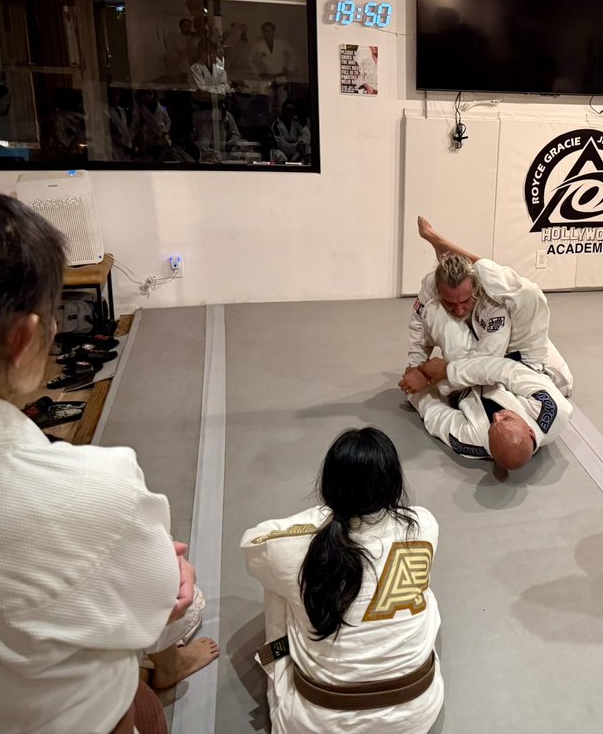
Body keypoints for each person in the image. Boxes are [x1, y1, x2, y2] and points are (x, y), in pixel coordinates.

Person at [0, 186, 199, 731]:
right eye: (52, 313)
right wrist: (172, 581)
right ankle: (163, 677)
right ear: (23, 339)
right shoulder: (97, 486)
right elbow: (162, 611)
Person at [241, 427, 442, 733]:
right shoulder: (424, 524)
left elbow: (252, 545)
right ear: (394, 482)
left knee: (281, 587)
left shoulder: (289, 547)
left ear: (328, 485)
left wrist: (320, 517)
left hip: (317, 722)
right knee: (423, 592)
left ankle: (280, 658)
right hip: (416, 713)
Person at [402, 217, 574, 398]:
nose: (459, 310)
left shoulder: (496, 301)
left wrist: (440, 373)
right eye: (450, 303)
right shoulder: (431, 284)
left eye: (465, 302)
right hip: (480, 333)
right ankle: (444, 247)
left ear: (475, 289)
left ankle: (442, 244)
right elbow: (418, 323)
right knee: (435, 312)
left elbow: (488, 362)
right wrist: (415, 366)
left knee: (560, 384)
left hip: (521, 354)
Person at [404, 321, 573, 471]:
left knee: (449, 323)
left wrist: (416, 388)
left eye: (493, 425)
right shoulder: (552, 409)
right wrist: (449, 370)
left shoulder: (472, 441)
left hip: (470, 385)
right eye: (505, 420)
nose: (497, 416)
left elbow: (435, 415)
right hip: (522, 365)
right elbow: (507, 369)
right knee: (525, 322)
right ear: (529, 431)